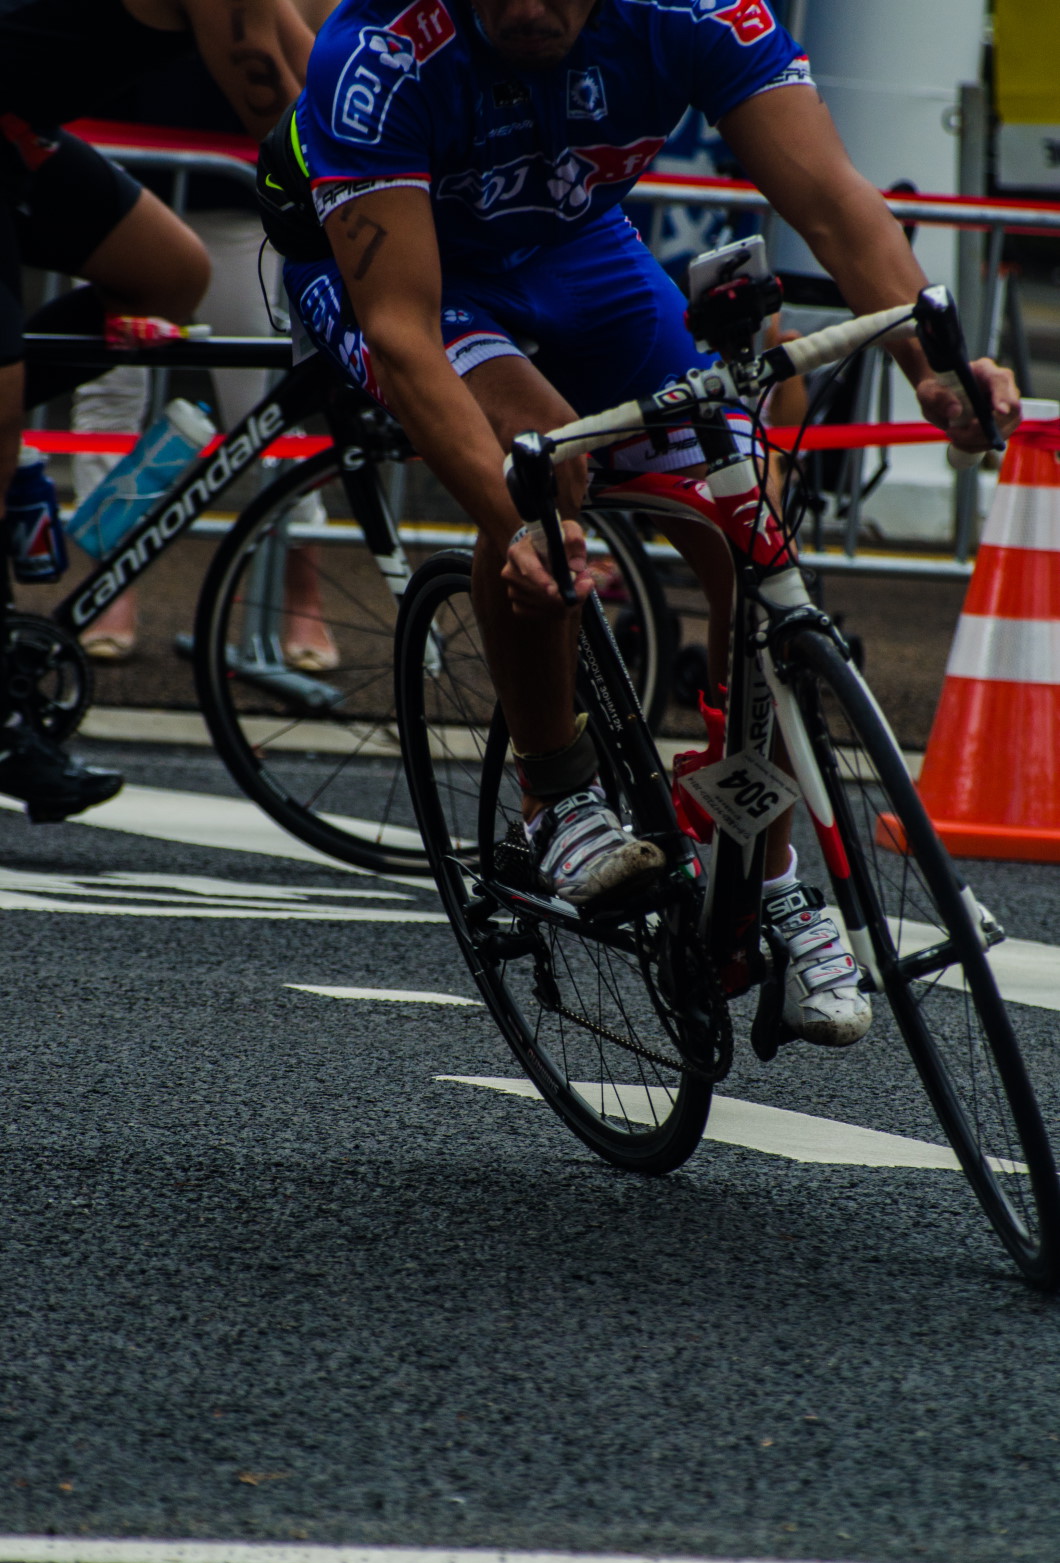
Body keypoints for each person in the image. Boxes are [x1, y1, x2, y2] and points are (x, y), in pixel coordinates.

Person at [260, 0, 1019, 1047]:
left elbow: (834, 203)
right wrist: (518, 521)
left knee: (748, 511)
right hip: (414, 280)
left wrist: (935, 366)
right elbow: (400, 335)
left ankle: (769, 868)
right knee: (546, 462)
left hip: (578, 250)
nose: (531, 8)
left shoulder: (695, 10)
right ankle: (557, 794)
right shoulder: (383, 53)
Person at [0, 0, 315, 819]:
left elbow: (312, 67)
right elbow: (271, 100)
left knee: (170, 275)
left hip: (15, 134)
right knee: (1, 410)